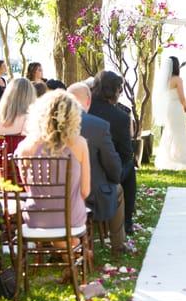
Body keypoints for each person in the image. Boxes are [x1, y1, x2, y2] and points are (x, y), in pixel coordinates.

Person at [15, 90, 90, 275]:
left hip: (36, 217)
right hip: (70, 216)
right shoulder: (79, 144)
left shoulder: (26, 147)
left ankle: (74, 258)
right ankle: (75, 258)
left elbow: (27, 187)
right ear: (73, 116)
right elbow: (85, 191)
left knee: (58, 219)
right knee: (67, 222)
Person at [68, 82, 132, 255]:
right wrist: (113, 178)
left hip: (58, 196)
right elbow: (112, 164)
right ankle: (118, 245)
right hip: (90, 194)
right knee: (117, 189)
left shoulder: (50, 126)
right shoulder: (98, 126)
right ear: (88, 101)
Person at [89, 71, 137, 235]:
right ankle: (127, 221)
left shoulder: (83, 110)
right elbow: (125, 153)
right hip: (104, 175)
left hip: (80, 169)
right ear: (115, 91)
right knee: (130, 166)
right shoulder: (121, 117)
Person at [154, 56, 186, 170]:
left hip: (169, 107)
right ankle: (181, 158)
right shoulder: (177, 79)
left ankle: (169, 157)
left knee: (170, 132)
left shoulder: (165, 80)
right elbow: (182, 97)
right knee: (180, 132)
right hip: (177, 107)